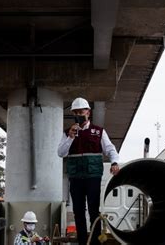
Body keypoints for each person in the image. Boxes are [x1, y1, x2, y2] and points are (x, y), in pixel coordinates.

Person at [57, 97, 120, 245]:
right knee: (78, 212)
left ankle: (95, 242)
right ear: (73, 114)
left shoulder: (98, 132)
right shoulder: (67, 133)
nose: (79, 113)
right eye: (76, 111)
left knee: (93, 210)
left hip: (93, 176)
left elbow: (110, 149)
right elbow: (61, 153)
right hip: (76, 177)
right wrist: (71, 137)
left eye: (82, 111)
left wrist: (115, 162)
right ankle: (82, 242)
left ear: (88, 112)